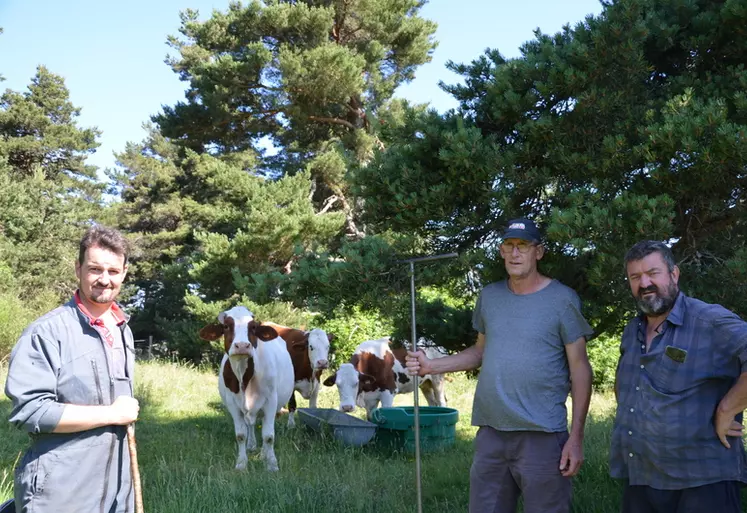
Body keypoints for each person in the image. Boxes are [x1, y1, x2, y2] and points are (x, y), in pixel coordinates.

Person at [406, 218, 594, 513]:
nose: (515, 253)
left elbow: (580, 368)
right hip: (491, 435)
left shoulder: (562, 299)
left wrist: (576, 437)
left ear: (539, 252)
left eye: (523, 246)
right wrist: (431, 366)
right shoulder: (490, 297)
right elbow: (480, 351)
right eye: (509, 245)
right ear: (502, 251)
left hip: (542, 436)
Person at [5, 225, 140, 513]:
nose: (104, 279)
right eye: (94, 269)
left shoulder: (122, 330)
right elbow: (31, 411)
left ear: (124, 272)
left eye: (113, 271)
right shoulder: (45, 332)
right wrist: (112, 414)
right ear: (78, 269)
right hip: (61, 493)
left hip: (118, 492)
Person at [610, 240, 747, 512]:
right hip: (642, 477)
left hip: (702, 481)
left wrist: (727, 408)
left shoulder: (708, 320)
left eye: (653, 273)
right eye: (635, 277)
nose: (644, 283)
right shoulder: (631, 331)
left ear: (674, 274)